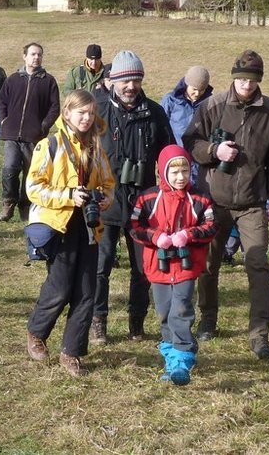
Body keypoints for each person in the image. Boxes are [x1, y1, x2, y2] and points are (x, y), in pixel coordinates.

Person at [182, 49, 269, 360]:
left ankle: (260, 335)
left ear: (259, 81)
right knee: (208, 265)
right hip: (215, 201)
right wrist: (215, 151)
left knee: (257, 266)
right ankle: (208, 319)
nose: (245, 84)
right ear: (233, 78)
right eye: (241, 78)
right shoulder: (213, 105)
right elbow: (191, 142)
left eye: (252, 79)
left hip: (253, 203)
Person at [25, 89, 116, 377]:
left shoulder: (97, 148)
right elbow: (33, 188)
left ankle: (71, 352)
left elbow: (109, 184)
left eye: (91, 113)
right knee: (61, 286)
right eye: (81, 113)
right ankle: (37, 333)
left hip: (89, 226)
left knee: (87, 291)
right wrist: (67, 196)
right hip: (59, 224)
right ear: (67, 113)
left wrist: (103, 198)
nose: (87, 118)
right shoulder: (49, 145)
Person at [91, 50, 174, 344]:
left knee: (143, 269)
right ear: (113, 80)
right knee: (100, 267)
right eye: (125, 80)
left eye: (136, 80)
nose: (130, 86)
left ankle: (136, 322)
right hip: (105, 201)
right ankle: (98, 320)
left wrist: (170, 191)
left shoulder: (154, 113)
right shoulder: (96, 109)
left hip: (143, 203)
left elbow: (169, 155)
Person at [129, 144, 218, 386]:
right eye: (174, 172)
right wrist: (155, 236)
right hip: (158, 267)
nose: (180, 178)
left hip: (187, 266)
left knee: (181, 309)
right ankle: (171, 358)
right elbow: (135, 226)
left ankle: (183, 358)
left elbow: (211, 226)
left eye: (185, 172)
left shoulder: (199, 198)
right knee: (164, 312)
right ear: (162, 173)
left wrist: (189, 235)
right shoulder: (148, 198)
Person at [0, 43, 60, 222]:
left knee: (30, 172)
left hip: (34, 137)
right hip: (11, 134)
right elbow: (2, 101)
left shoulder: (49, 81)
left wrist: (43, 126)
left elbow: (54, 108)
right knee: (9, 168)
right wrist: (3, 120)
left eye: (39, 54)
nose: (36, 57)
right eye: (33, 54)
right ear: (24, 56)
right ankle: (8, 203)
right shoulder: (13, 79)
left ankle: (26, 206)